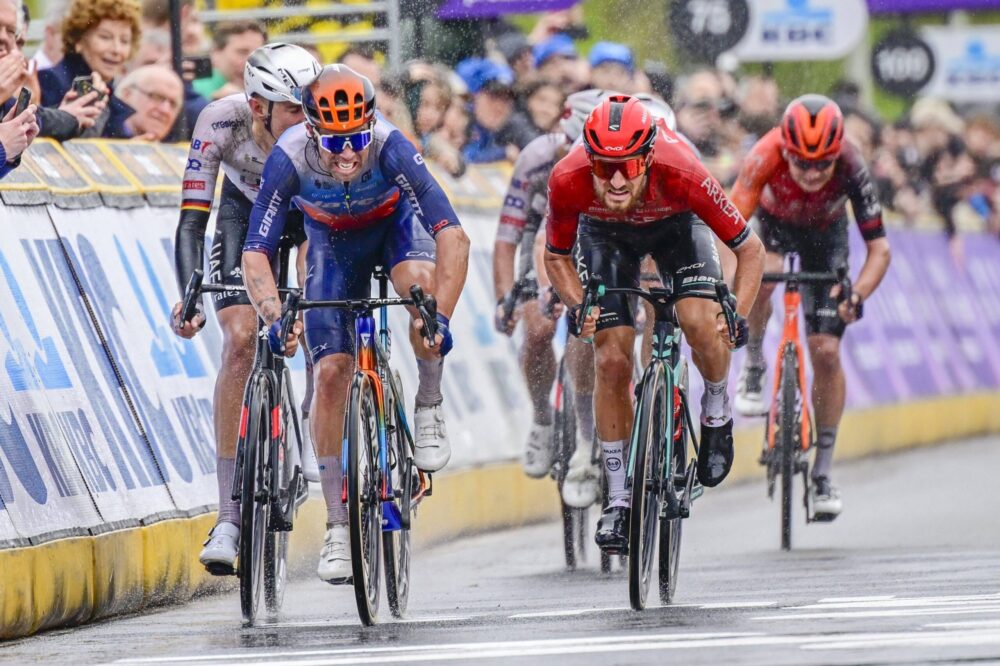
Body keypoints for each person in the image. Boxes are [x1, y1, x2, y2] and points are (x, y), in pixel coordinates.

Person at [241, 64, 470, 583]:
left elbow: (453, 235)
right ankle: (338, 527)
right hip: (331, 243)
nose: (347, 154)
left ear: (371, 124)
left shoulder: (392, 146)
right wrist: (276, 317)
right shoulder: (290, 154)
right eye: (335, 143)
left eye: (357, 140)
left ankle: (429, 402)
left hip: (394, 228)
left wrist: (442, 319)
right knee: (329, 374)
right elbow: (255, 250)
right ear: (312, 130)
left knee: (420, 290)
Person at [543, 95, 764, 551]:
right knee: (611, 360)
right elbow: (556, 256)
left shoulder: (683, 168)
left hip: (677, 228)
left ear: (648, 156)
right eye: (604, 167)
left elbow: (750, 250)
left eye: (628, 165)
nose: (618, 179)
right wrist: (578, 304)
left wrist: (737, 314)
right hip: (605, 236)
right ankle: (620, 500)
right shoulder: (567, 177)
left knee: (700, 320)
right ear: (589, 159)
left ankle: (717, 412)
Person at [170, 43, 321, 574]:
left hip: (307, 215)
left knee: (319, 316)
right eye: (293, 110)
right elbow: (193, 219)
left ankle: (308, 417)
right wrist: (190, 293)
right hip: (242, 213)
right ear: (259, 107)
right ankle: (230, 516)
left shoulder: (320, 131)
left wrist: (300, 304)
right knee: (238, 340)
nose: (308, 120)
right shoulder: (220, 121)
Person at [730, 94, 891, 520]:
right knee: (763, 272)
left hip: (826, 237)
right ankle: (753, 365)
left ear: (837, 154)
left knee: (825, 350)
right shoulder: (762, 154)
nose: (813, 172)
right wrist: (733, 286)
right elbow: (728, 229)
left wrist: (857, 294)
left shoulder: (854, 163)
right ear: (785, 150)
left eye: (824, 164)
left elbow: (880, 250)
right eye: (802, 162)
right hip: (773, 226)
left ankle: (822, 471)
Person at [494, 88, 608, 507]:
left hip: (593, 233)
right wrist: (508, 297)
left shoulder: (613, 156)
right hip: (543, 233)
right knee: (540, 326)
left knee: (589, 326)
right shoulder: (535, 158)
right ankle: (542, 417)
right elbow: (511, 237)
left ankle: (586, 437)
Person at [38, 0, 141, 138]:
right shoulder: (49, 81)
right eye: (105, 37)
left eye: (124, 41)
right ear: (79, 40)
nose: (117, 50)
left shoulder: (113, 99)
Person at [192, 20, 267, 101]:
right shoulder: (195, 90)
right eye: (242, 52)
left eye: (259, 54)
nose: (252, 62)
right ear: (216, 53)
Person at [115, 63, 182, 140]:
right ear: (127, 95)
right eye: (157, 97)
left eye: (173, 104)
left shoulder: (183, 149)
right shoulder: (101, 130)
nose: (165, 110)